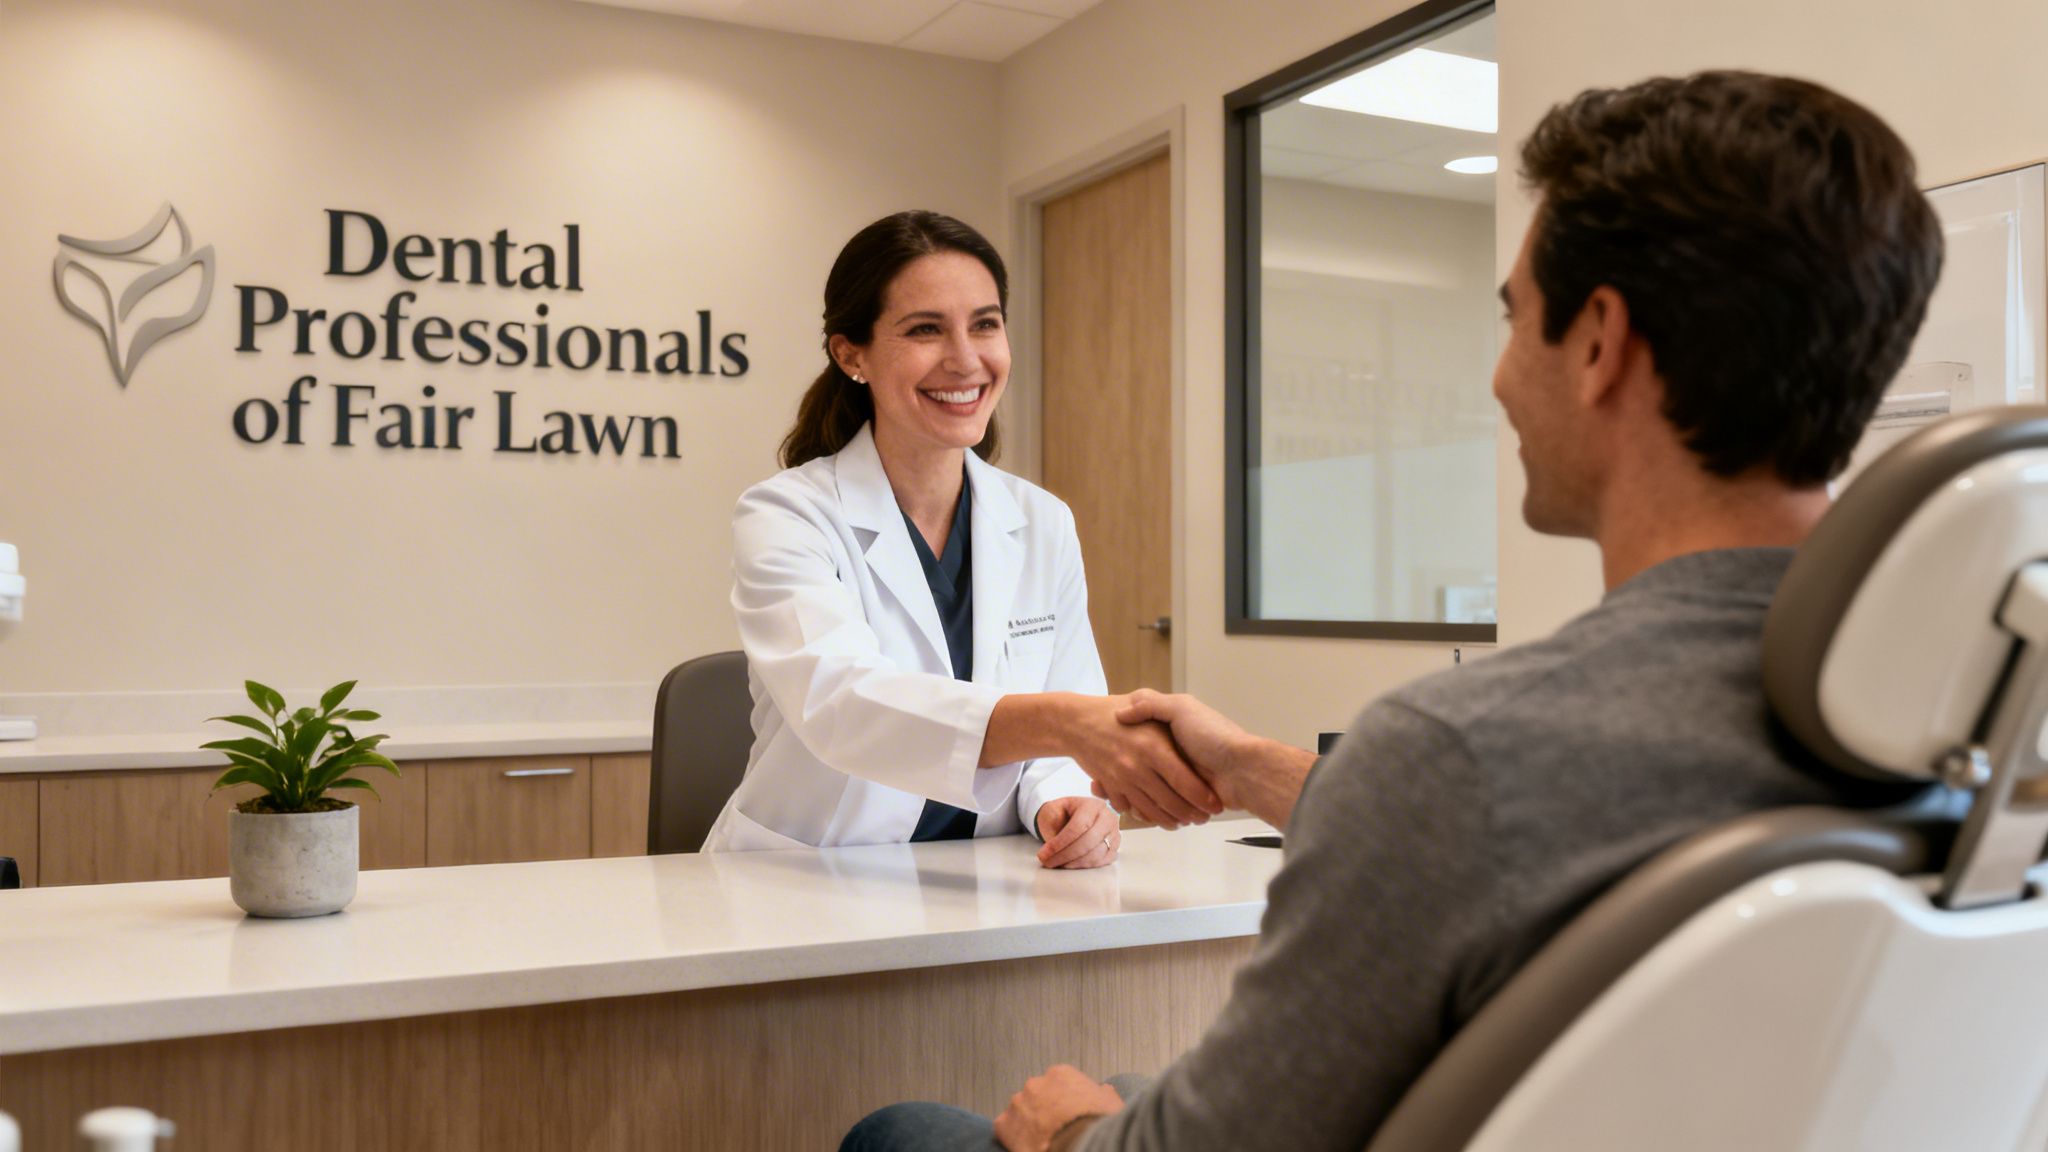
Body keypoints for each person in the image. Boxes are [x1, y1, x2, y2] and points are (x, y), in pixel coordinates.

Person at [844, 70, 1944, 1151]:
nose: (1502, 378)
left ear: (1600, 343)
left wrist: (1069, 1128)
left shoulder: (1457, 755)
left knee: (917, 1126)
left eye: (1515, 321)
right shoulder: (1958, 720)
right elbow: (1514, 823)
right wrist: (1251, 770)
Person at [703, 211, 1223, 866]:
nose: (966, 358)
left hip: (987, 877)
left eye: (985, 323)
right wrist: (1063, 721)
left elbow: (1063, 736)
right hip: (811, 875)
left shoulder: (1042, 521)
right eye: (925, 329)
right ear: (851, 354)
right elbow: (844, 707)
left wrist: (1060, 800)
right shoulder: (787, 514)